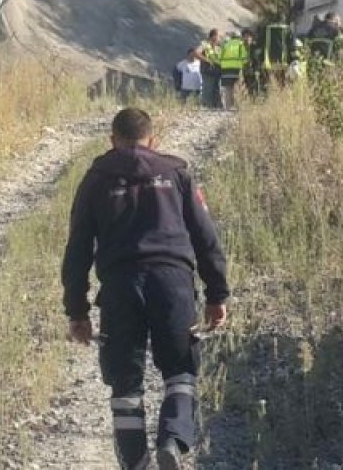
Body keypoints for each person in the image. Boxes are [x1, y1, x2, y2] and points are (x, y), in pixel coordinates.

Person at [61, 108, 230, 470]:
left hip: (121, 288)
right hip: (173, 283)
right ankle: (172, 439)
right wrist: (217, 294)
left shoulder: (95, 179)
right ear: (152, 140)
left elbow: (77, 250)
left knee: (125, 382)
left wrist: (77, 311)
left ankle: (138, 463)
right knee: (180, 369)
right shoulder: (176, 173)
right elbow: (205, 238)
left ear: (112, 141)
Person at [218, 31, 249, 110]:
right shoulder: (240, 44)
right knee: (238, 87)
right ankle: (238, 106)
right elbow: (244, 58)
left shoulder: (225, 44)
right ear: (239, 37)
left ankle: (228, 107)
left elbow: (219, 57)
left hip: (225, 70)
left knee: (228, 88)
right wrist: (245, 64)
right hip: (236, 69)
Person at [194, 29, 222, 109]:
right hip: (208, 71)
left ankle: (215, 108)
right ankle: (206, 108)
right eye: (219, 36)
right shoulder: (205, 44)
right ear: (213, 36)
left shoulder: (218, 46)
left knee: (217, 91)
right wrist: (207, 60)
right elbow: (196, 53)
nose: (220, 38)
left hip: (217, 72)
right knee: (208, 90)